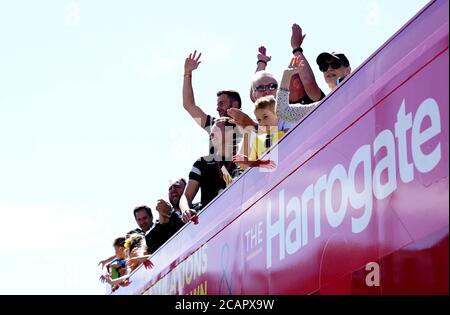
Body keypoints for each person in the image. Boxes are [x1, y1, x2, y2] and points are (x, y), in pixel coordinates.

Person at [179, 118, 243, 223]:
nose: (211, 135)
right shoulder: (201, 163)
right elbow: (186, 197)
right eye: (211, 133)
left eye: (216, 131)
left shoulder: (243, 159)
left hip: (237, 220)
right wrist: (185, 210)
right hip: (208, 225)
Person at [183, 50, 242, 152]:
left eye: (221, 104)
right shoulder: (213, 124)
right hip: (218, 168)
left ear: (234, 104)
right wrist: (187, 73)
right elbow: (189, 105)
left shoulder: (249, 125)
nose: (217, 108)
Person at [233, 96, 283, 169]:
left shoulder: (287, 132)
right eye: (259, 120)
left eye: (265, 117)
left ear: (277, 114)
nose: (262, 122)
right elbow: (248, 166)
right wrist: (246, 161)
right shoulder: (258, 141)